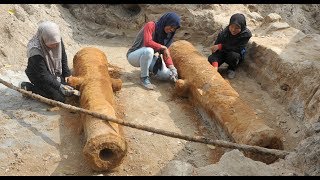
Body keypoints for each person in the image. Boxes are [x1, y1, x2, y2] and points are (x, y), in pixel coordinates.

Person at [20, 21, 75, 102]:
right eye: (52, 44)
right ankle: (29, 87)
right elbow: (43, 75)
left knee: (70, 90)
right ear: (44, 39)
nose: (55, 46)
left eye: (57, 43)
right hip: (38, 75)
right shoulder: (35, 50)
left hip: (54, 71)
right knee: (58, 98)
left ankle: (58, 84)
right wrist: (60, 86)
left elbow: (63, 55)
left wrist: (67, 73)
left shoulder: (56, 39)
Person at [126, 12, 181, 90]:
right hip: (134, 56)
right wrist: (163, 47)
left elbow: (166, 54)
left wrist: (172, 68)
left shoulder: (167, 35)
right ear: (166, 21)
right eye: (171, 26)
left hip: (148, 57)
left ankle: (148, 68)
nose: (172, 30)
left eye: (174, 28)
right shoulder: (151, 25)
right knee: (149, 50)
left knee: (165, 75)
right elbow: (147, 42)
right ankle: (144, 78)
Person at [208, 13, 252, 79]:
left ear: (242, 27)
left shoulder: (246, 34)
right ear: (229, 25)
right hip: (223, 53)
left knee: (234, 56)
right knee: (211, 58)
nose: (233, 30)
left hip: (234, 54)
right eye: (231, 27)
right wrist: (215, 61)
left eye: (237, 28)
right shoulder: (224, 33)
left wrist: (221, 46)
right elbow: (215, 48)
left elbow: (238, 48)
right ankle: (215, 67)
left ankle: (231, 69)